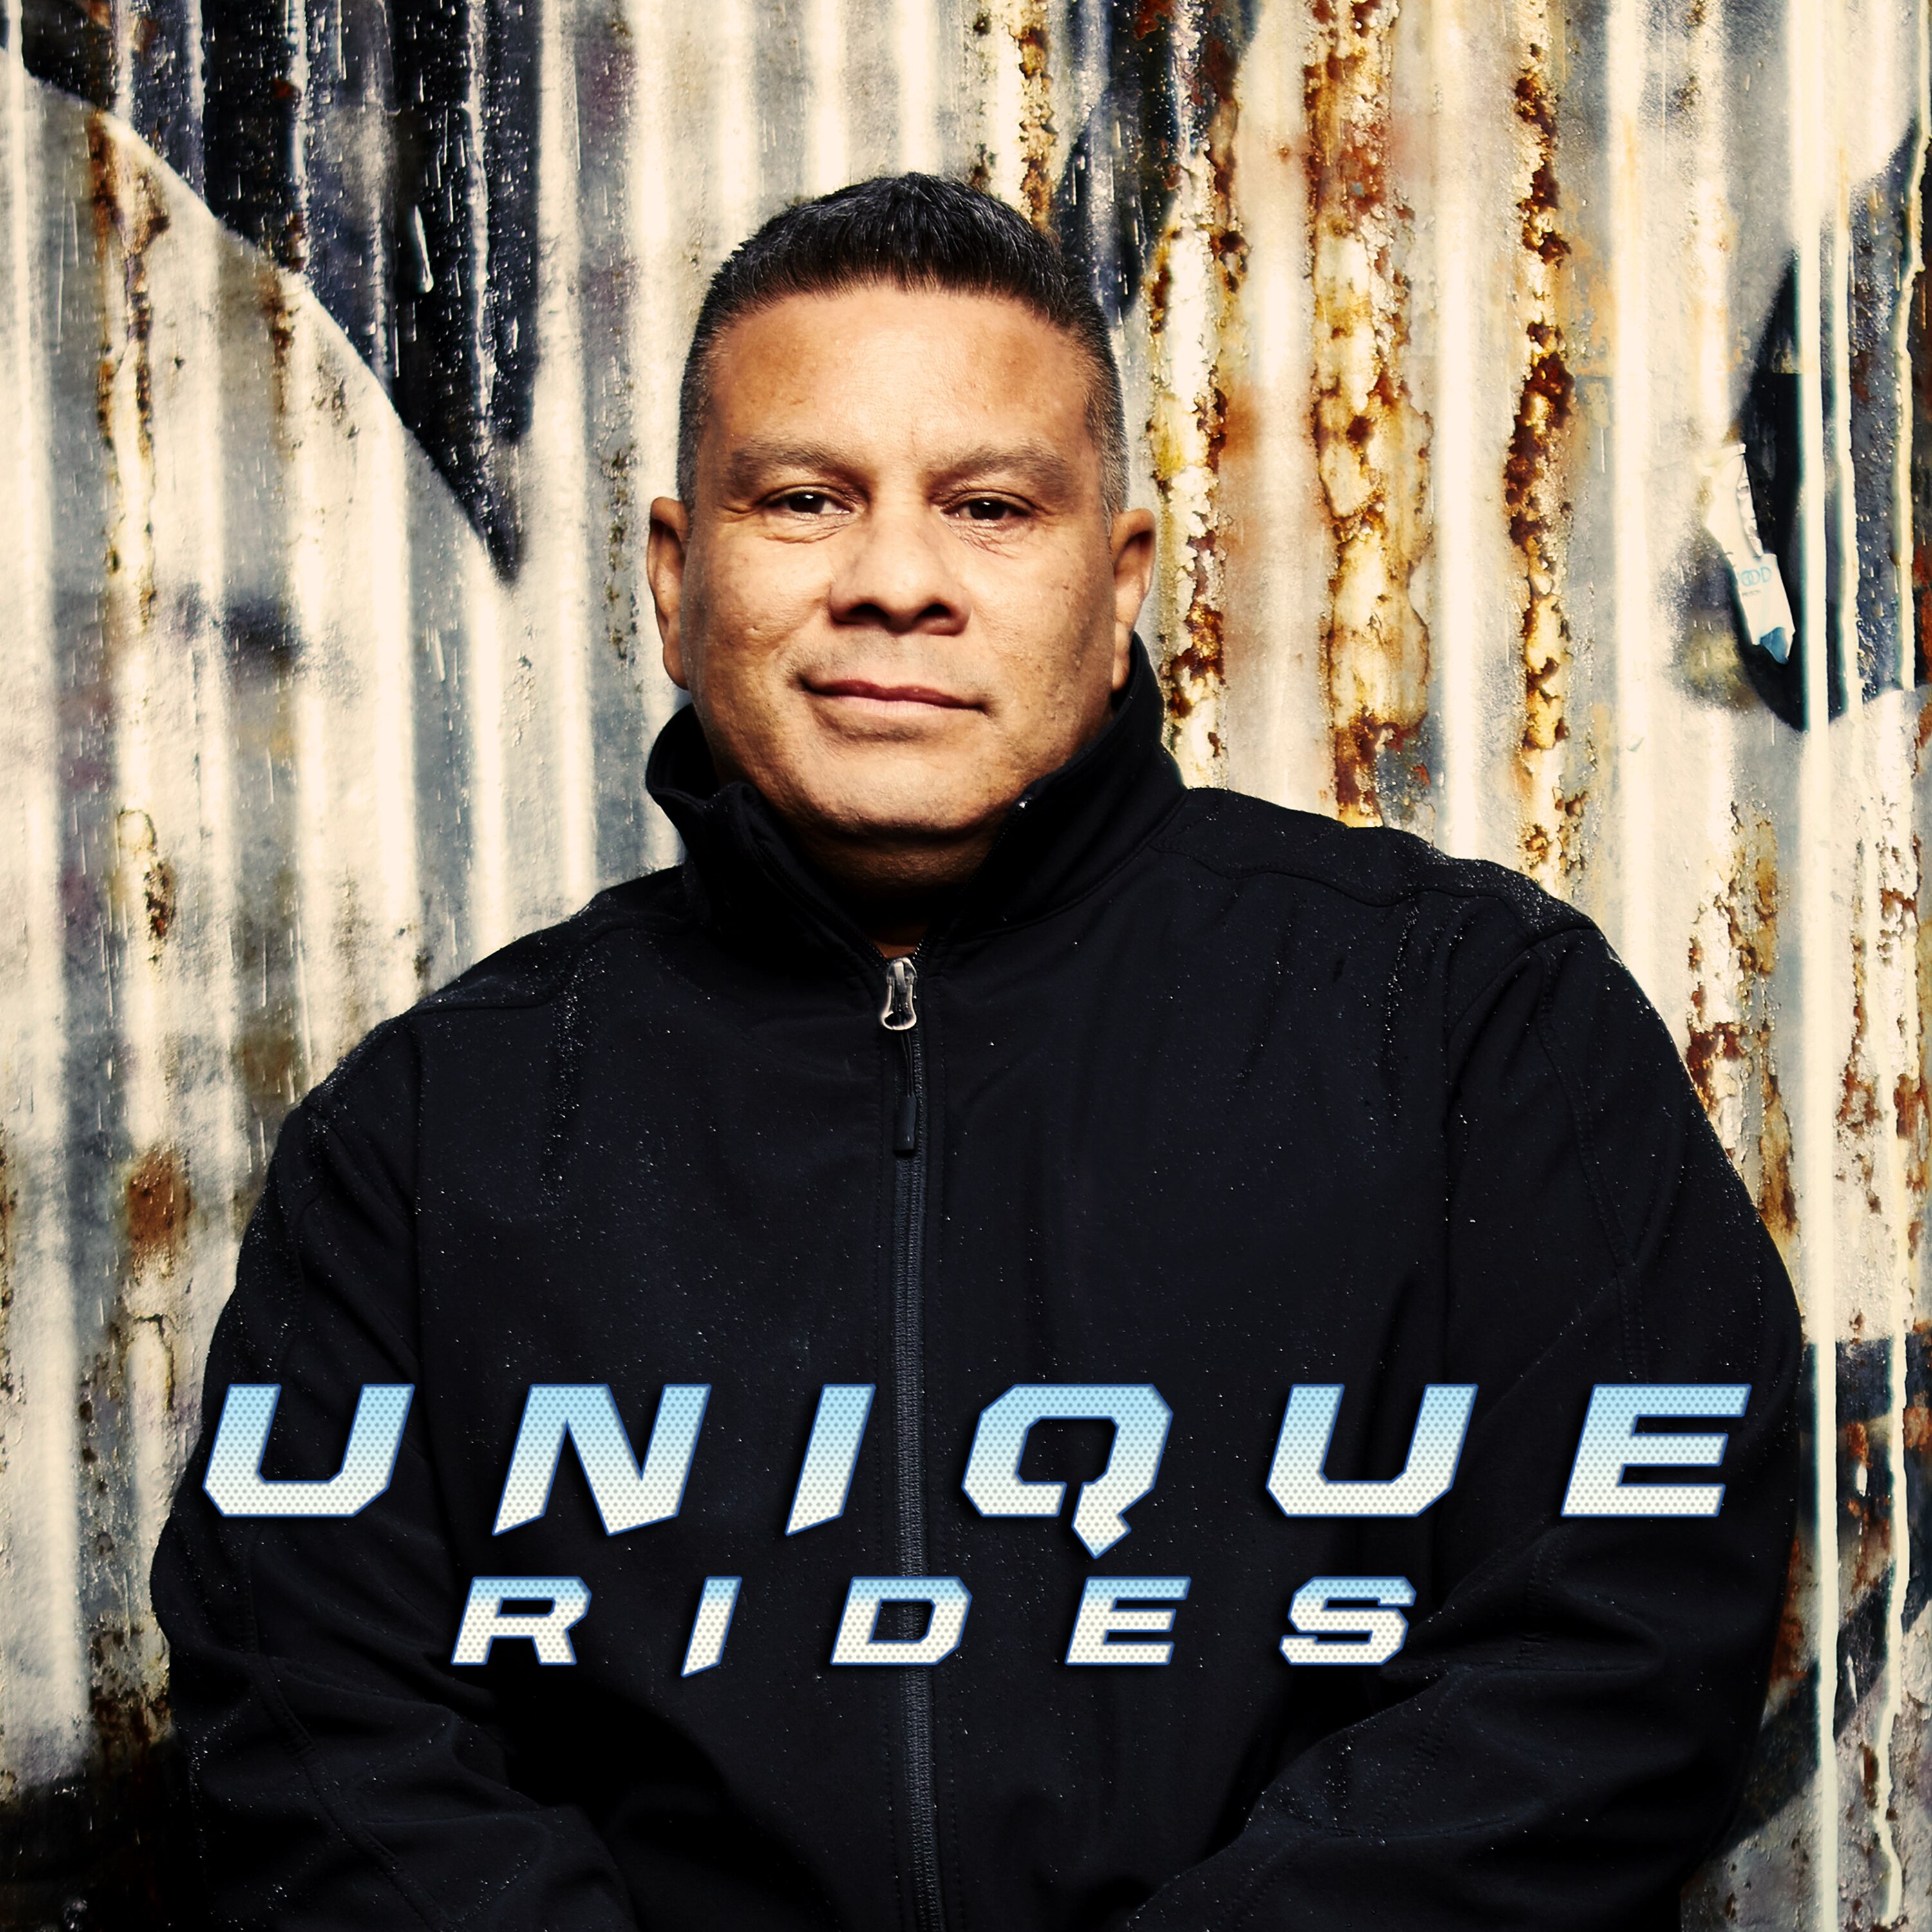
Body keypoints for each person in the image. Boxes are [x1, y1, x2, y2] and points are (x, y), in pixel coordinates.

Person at [152, 174, 1802, 1932]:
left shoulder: (1469, 1023)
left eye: (990, 508)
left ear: (1121, 581)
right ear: (676, 576)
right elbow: (316, 1736)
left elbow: (1620, 1645)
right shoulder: (431, 1136)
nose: (895, 584)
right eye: (804, 500)